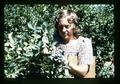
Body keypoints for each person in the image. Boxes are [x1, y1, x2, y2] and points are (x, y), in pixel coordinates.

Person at [51, 9, 95, 78]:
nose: (63, 30)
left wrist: (66, 63)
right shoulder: (54, 43)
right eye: (60, 27)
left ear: (74, 26)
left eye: (67, 26)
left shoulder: (83, 43)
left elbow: (83, 71)